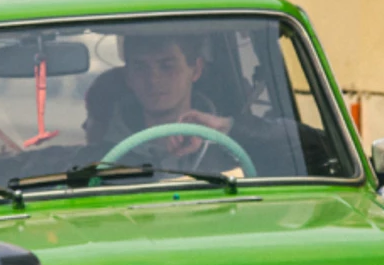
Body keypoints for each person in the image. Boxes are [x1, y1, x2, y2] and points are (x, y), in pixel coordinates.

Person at [86, 33, 291, 172]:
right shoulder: (99, 155)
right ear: (128, 77)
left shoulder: (235, 147)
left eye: (167, 66)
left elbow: (308, 152)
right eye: (140, 67)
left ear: (196, 69)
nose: (153, 80)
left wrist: (230, 128)